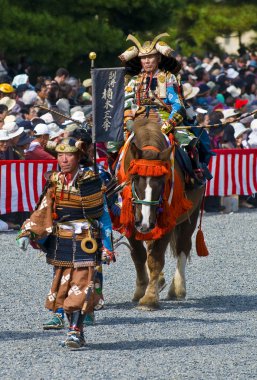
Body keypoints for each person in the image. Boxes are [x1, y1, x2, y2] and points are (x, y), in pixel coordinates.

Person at [16, 137, 114, 348]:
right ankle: (76, 330)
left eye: (69, 155)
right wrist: (28, 232)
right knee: (65, 288)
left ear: (79, 157)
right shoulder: (54, 181)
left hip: (86, 240)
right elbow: (43, 209)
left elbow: (104, 216)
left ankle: (75, 332)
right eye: (60, 155)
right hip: (62, 241)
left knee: (80, 286)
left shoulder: (91, 179)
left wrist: (108, 246)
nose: (64, 159)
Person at [118, 33, 209, 185]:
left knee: (187, 142)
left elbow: (178, 105)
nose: (146, 61)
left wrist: (169, 124)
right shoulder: (134, 81)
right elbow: (127, 103)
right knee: (113, 145)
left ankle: (192, 175)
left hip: (164, 118)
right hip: (138, 120)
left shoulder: (168, 78)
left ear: (158, 58)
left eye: (151, 57)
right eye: (143, 58)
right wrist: (128, 121)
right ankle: (116, 178)